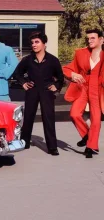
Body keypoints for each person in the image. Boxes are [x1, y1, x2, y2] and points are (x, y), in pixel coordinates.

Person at [15, 31, 64, 155]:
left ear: (44, 44)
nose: (34, 45)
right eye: (32, 43)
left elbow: (60, 78)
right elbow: (17, 73)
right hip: (32, 90)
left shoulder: (53, 60)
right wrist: (24, 83)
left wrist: (56, 86)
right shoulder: (27, 60)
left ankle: (52, 147)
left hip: (47, 91)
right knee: (28, 117)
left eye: (37, 42)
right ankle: (24, 142)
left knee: (48, 118)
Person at [63, 28, 104, 158]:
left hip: (98, 89)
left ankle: (91, 147)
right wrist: (73, 74)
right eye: (88, 38)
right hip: (83, 86)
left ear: (101, 40)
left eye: (93, 38)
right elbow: (67, 68)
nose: (89, 40)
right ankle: (86, 136)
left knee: (96, 119)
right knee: (74, 114)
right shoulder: (80, 53)